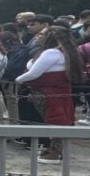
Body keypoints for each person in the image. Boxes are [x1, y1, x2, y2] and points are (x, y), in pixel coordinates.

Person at [17, 26, 84, 163]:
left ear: (50, 37)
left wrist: (18, 80)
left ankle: (54, 153)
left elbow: (33, 73)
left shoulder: (51, 53)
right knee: (58, 120)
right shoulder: (63, 52)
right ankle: (55, 151)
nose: (37, 36)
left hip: (47, 93)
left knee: (54, 121)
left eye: (42, 34)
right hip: (58, 92)